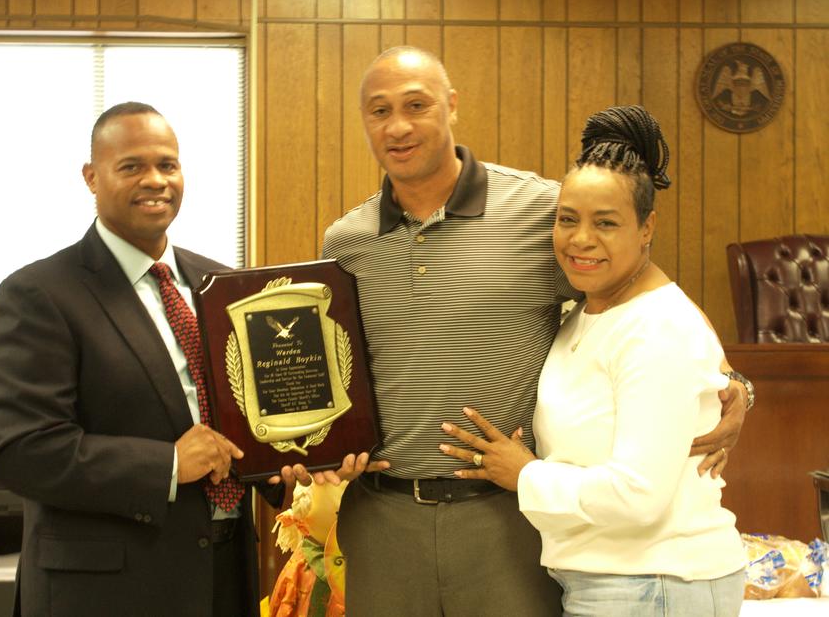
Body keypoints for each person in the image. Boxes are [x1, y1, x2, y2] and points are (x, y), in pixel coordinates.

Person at [313, 48, 751, 616]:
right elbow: (330, 373)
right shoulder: (344, 242)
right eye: (379, 111)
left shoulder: (546, 212)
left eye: (416, 105)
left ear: (451, 106)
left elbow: (645, 292)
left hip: (506, 518)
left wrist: (735, 381)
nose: (397, 126)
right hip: (383, 519)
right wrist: (315, 447)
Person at [440, 105, 746, 616]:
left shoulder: (656, 327)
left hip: (657, 582)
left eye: (606, 223)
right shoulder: (584, 311)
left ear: (647, 228)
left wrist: (525, 474)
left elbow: (638, 496)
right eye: (567, 219)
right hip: (613, 579)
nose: (581, 239)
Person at [0, 102, 284, 617]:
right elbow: (21, 449)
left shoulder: (222, 285)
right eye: (132, 167)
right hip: (106, 592)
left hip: (223, 576)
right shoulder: (39, 293)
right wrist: (166, 465)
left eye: (168, 165)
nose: (156, 181)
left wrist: (283, 462)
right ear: (92, 177)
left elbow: (242, 417)